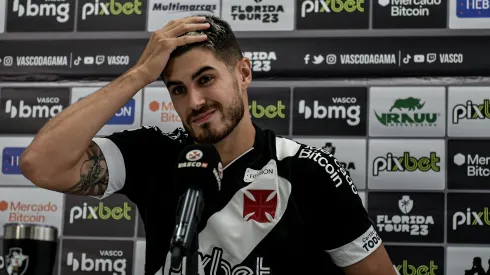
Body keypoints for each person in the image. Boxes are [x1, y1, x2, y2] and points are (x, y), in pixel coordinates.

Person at [20, 14, 396, 275]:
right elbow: (41, 164)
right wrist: (138, 75)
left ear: (243, 73)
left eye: (205, 79)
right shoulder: (155, 153)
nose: (195, 101)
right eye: (178, 90)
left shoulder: (306, 170)